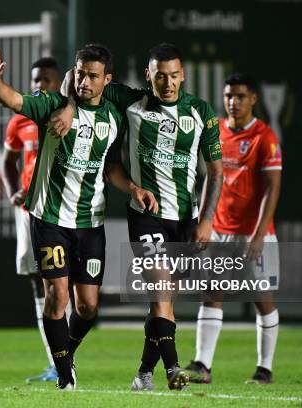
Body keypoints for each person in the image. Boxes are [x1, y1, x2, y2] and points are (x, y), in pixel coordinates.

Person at [0, 40, 157, 390]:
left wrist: (134, 188)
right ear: (72, 74)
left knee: (88, 307)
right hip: (49, 218)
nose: (85, 81)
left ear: (107, 79)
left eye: (92, 76)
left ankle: (66, 353)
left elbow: (110, 165)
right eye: (80, 74)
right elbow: (14, 99)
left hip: (90, 222)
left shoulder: (113, 113)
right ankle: (65, 378)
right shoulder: (53, 105)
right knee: (57, 298)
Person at [50, 42, 224, 391]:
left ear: (183, 75)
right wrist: (69, 106)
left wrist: (206, 220)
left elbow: (217, 173)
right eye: (160, 76)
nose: (168, 83)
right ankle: (174, 369)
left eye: (174, 76)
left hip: (185, 218)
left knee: (163, 305)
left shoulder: (201, 112)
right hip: (145, 215)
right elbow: (76, 76)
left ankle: (144, 373)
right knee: (160, 291)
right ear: (149, 76)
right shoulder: (129, 101)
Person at [185, 73, 281, 385]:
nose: (233, 102)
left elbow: (272, 188)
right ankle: (202, 364)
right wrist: (204, 219)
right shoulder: (218, 133)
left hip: (254, 233)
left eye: (240, 96)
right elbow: (209, 180)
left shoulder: (264, 138)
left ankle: (264, 369)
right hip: (220, 229)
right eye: (228, 95)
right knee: (211, 294)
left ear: (253, 99)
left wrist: (258, 233)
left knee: (261, 299)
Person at [1, 57, 63, 383]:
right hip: (28, 212)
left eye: (47, 80)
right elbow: (8, 161)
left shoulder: (68, 116)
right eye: (36, 79)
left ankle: (65, 354)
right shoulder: (21, 120)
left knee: (66, 283)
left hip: (64, 212)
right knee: (37, 281)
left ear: (58, 83)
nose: (40, 85)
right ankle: (55, 360)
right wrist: (13, 190)